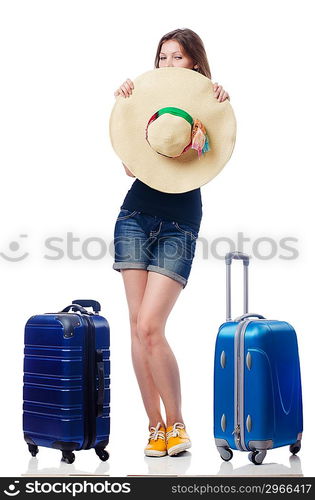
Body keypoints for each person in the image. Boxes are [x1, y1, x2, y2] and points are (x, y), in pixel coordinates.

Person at [113, 28, 230, 457]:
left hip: (180, 223)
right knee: (135, 325)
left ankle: (177, 421)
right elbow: (131, 166)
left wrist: (215, 106)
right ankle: (154, 426)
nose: (167, 65)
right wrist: (127, 104)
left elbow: (214, 152)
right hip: (134, 216)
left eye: (176, 57)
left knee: (150, 326)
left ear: (195, 63)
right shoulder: (150, 107)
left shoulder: (209, 106)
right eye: (162, 57)